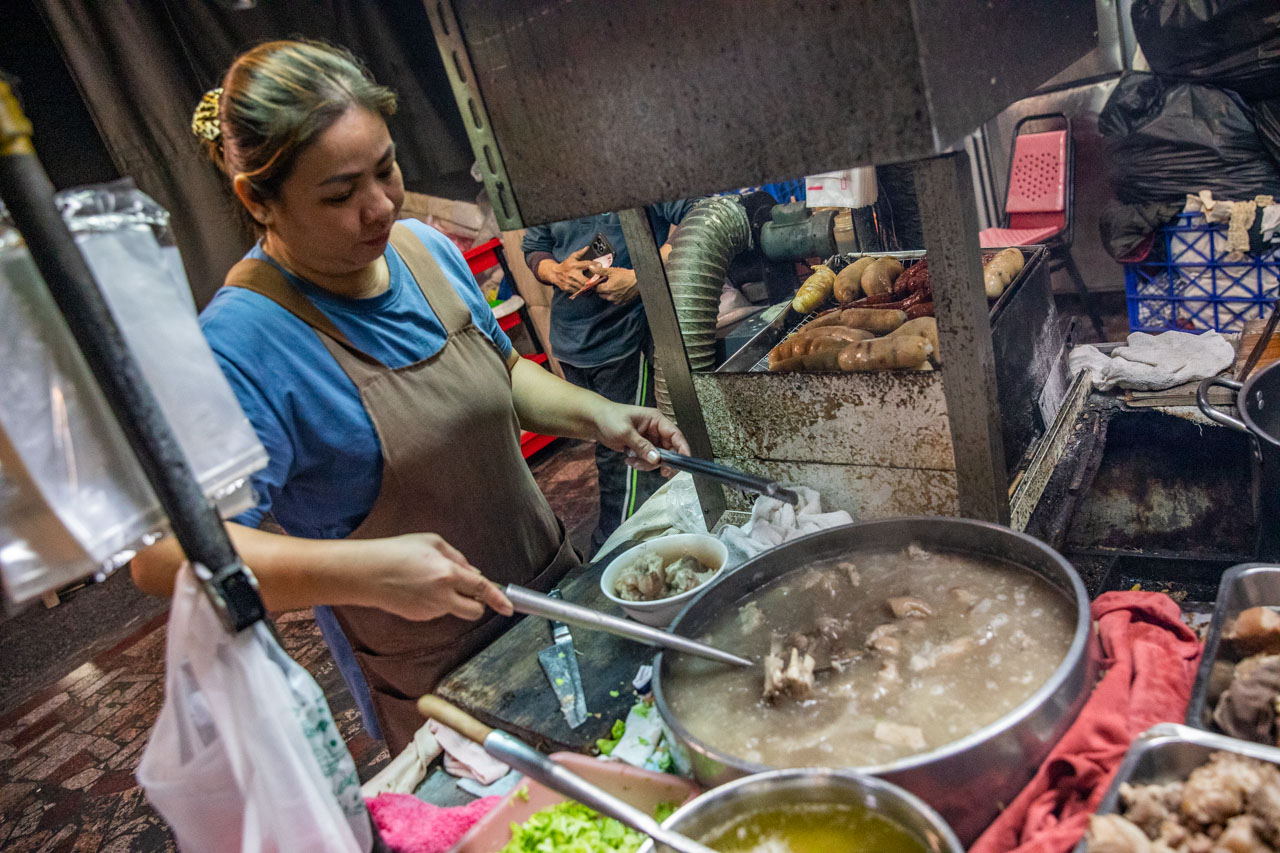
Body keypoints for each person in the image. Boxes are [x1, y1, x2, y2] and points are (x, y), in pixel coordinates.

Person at [132, 40, 688, 754]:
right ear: (257, 200)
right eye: (339, 195)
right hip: (435, 672)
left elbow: (499, 371)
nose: (379, 207)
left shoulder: (424, 249)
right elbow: (163, 557)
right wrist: (371, 573)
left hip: (550, 598)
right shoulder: (241, 344)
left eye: (386, 168)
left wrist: (597, 414)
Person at [523, 203, 694, 554]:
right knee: (609, 448)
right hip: (572, 345)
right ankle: (630, 547)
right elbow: (535, 249)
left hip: (625, 342)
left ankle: (613, 552)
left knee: (628, 459)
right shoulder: (547, 187)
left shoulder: (630, 176)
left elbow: (701, 216)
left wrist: (642, 274)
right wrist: (556, 272)